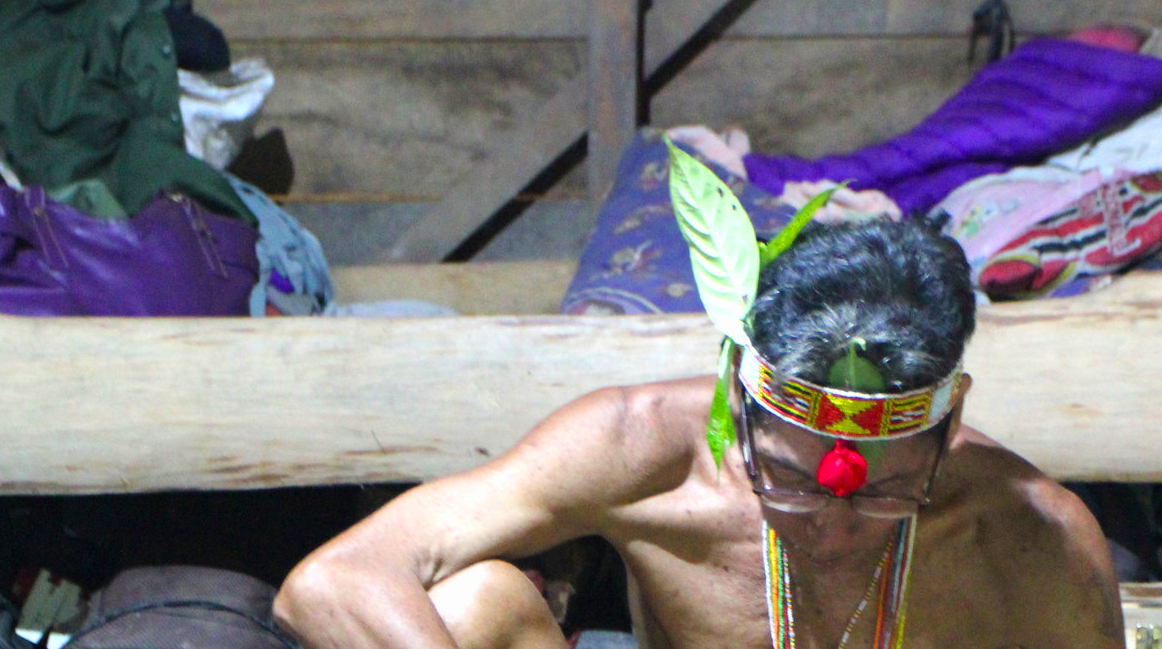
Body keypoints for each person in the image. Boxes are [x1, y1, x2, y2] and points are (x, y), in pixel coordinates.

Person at [272, 219, 1123, 649]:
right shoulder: (644, 446)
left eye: (884, 490)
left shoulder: (1030, 537)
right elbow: (331, 580)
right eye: (789, 477)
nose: (831, 520)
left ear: (949, 431)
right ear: (738, 403)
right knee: (472, 607)